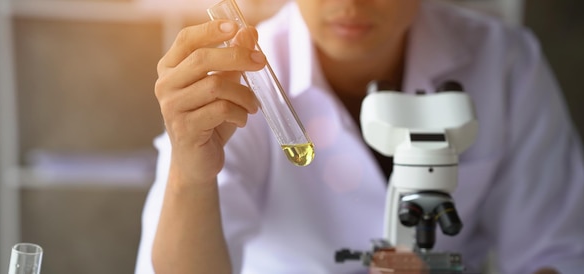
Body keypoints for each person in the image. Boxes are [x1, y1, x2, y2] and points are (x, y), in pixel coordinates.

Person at [135, 0, 584, 273]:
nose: (350, 4)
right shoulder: (234, 83)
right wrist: (188, 176)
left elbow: (560, 252)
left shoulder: (504, 64)